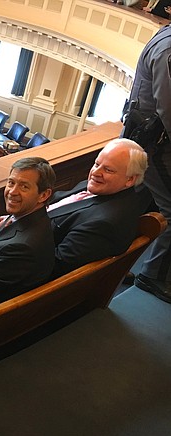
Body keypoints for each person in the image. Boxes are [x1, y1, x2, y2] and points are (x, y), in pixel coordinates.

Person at [47, 138, 148, 276]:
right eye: (97, 164)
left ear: (130, 179)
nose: (95, 172)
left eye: (108, 169)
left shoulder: (104, 224)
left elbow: (55, 264)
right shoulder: (105, 188)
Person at [0, 157, 56, 312]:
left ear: (43, 195)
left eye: (24, 186)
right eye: (11, 182)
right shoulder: (26, 214)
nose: (12, 192)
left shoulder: (22, 248)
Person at [125, 24, 171, 303]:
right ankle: (153, 276)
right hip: (155, 144)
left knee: (135, 203)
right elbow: (168, 109)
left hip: (152, 141)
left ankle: (119, 263)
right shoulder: (169, 48)